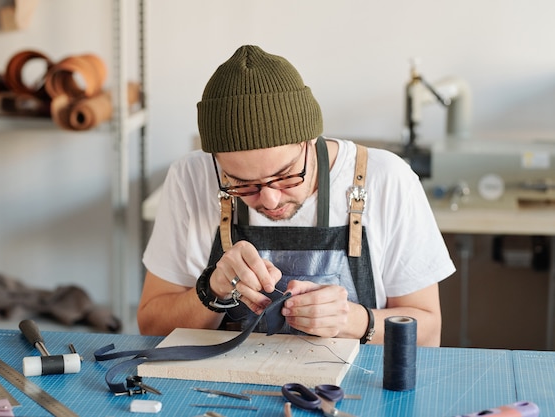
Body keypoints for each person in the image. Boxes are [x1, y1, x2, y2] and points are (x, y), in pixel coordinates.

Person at [137, 45, 455, 347]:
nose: (270, 201)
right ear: (216, 162)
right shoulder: (191, 177)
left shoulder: (386, 178)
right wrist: (212, 291)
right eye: (242, 184)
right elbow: (151, 327)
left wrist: (356, 321)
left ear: (309, 139)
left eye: (286, 176)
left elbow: (428, 332)